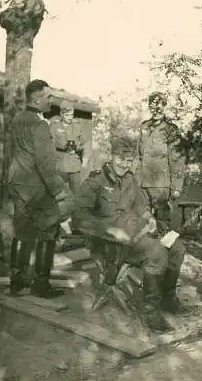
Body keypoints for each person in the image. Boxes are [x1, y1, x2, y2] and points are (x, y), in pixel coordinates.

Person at [72, 136, 188, 333]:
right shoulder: (95, 182)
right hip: (110, 243)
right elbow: (79, 218)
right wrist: (109, 230)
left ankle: (168, 299)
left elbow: (141, 207)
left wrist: (149, 217)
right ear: (111, 155)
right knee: (156, 252)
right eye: (121, 159)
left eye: (129, 161)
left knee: (177, 248)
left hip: (135, 234)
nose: (124, 165)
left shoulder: (130, 180)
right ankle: (150, 313)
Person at [8, 79, 71, 298]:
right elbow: (44, 163)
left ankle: (15, 282)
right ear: (36, 98)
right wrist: (59, 191)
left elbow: (9, 153)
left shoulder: (17, 120)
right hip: (37, 187)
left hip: (18, 185)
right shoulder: (40, 124)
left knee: (21, 230)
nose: (50, 101)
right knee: (50, 227)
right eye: (48, 97)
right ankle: (41, 284)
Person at [135, 91, 186, 233]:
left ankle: (163, 252)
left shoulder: (171, 130)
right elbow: (138, 155)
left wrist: (176, 187)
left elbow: (177, 160)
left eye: (159, 106)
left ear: (164, 107)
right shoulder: (144, 127)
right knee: (141, 219)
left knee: (162, 221)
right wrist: (133, 178)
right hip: (142, 182)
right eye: (153, 107)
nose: (156, 110)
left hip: (160, 185)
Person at [50, 105, 86, 195]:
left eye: (71, 115)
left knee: (78, 194)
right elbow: (50, 144)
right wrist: (62, 145)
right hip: (60, 164)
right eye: (67, 115)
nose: (70, 117)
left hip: (74, 165)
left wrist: (77, 147)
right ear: (61, 114)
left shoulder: (77, 126)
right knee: (58, 194)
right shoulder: (54, 126)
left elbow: (82, 143)